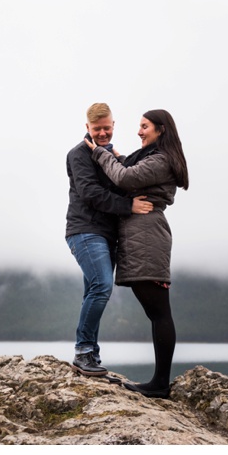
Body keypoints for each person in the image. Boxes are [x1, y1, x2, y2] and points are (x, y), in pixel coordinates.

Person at [84, 108, 189, 398]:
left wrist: (101, 154)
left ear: (160, 130)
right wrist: (113, 153)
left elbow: (126, 178)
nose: (139, 131)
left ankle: (160, 383)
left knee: (159, 313)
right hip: (143, 236)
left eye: (145, 126)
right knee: (157, 313)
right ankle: (160, 381)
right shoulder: (153, 157)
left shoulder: (162, 159)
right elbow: (129, 166)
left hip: (148, 237)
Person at [66, 103, 154, 377]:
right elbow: (90, 193)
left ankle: (90, 353)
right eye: (96, 129)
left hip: (107, 234)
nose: (102, 133)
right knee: (102, 286)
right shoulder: (78, 155)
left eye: (106, 128)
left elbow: (128, 177)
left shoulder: (112, 156)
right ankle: (83, 353)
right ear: (87, 128)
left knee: (93, 291)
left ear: (113, 125)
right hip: (84, 230)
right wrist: (129, 206)